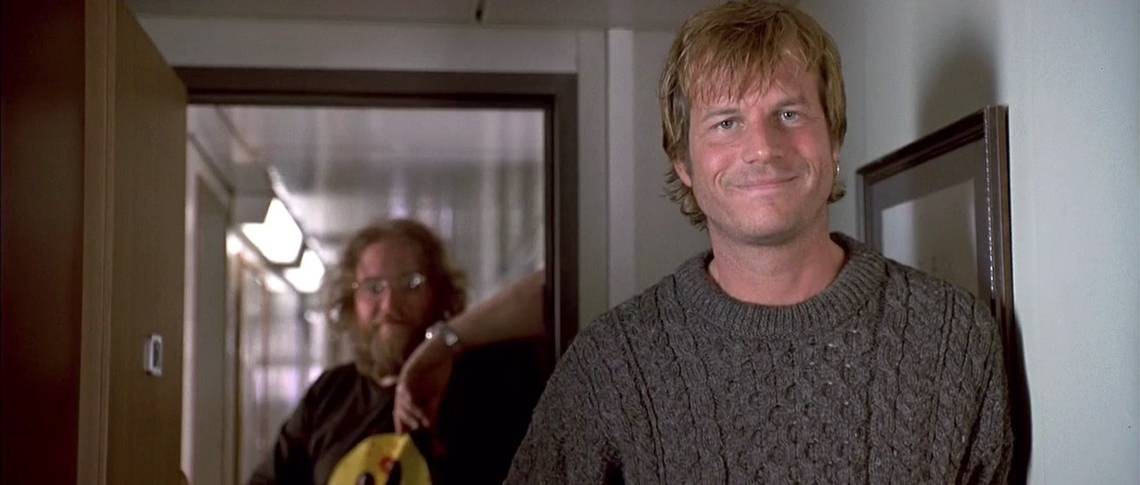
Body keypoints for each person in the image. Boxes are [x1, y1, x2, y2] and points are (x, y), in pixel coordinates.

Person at [500, 2, 1013, 483]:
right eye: (726, 122)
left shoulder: (954, 339)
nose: (763, 148)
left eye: (789, 114)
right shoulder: (611, 365)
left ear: (834, 139)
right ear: (684, 163)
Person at [248, 219, 544, 485]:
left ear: (439, 293)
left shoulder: (489, 376)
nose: (390, 305)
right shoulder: (328, 395)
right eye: (374, 288)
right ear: (352, 301)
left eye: (411, 284)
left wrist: (444, 343)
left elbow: (557, 292)